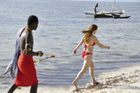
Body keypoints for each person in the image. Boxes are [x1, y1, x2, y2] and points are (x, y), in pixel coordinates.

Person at [7, 15, 43, 93]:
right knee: (34, 82)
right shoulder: (29, 34)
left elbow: (23, 50)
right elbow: (27, 51)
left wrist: (31, 58)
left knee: (17, 82)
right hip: (25, 61)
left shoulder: (23, 30)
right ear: (33, 24)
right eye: (37, 24)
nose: (37, 26)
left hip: (22, 60)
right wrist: (38, 53)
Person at [72, 24, 110, 91]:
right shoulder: (93, 37)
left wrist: (75, 49)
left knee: (92, 67)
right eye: (96, 30)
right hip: (88, 55)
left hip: (84, 54)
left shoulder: (85, 35)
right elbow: (100, 45)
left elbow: (80, 43)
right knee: (83, 70)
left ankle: (94, 81)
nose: (96, 31)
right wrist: (106, 47)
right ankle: (74, 82)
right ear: (94, 30)